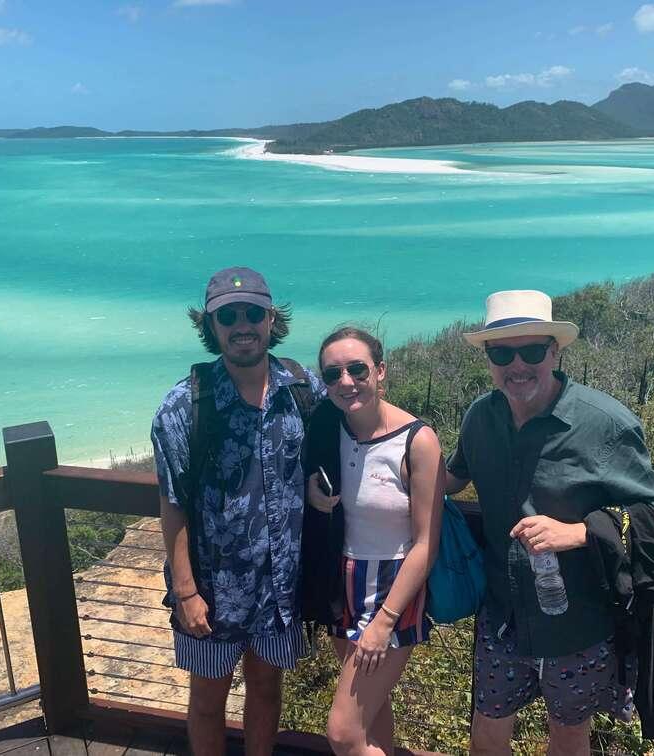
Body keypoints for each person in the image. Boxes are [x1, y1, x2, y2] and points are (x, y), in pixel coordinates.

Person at [445, 291, 654, 756]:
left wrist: (583, 533)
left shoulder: (604, 424)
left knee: (568, 737)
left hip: (578, 624)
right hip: (502, 617)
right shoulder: (479, 419)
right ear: (488, 358)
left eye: (532, 351)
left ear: (555, 351)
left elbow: (653, 510)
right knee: (486, 737)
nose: (518, 365)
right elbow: (450, 477)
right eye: (502, 352)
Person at [152, 267, 326, 756]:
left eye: (253, 312)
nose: (242, 324)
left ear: (271, 319)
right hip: (211, 590)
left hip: (280, 588)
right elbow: (172, 504)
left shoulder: (301, 387)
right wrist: (185, 592)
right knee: (208, 701)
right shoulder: (185, 405)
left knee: (267, 692)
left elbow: (357, 420)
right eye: (228, 315)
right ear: (211, 326)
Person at [305, 327, 445, 756]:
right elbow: (311, 473)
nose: (345, 382)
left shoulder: (417, 441)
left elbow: (426, 543)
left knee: (344, 733)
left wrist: (384, 622)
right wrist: (313, 491)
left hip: (391, 586)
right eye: (333, 374)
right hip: (340, 580)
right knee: (371, 713)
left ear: (380, 371)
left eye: (357, 369)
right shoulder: (328, 425)